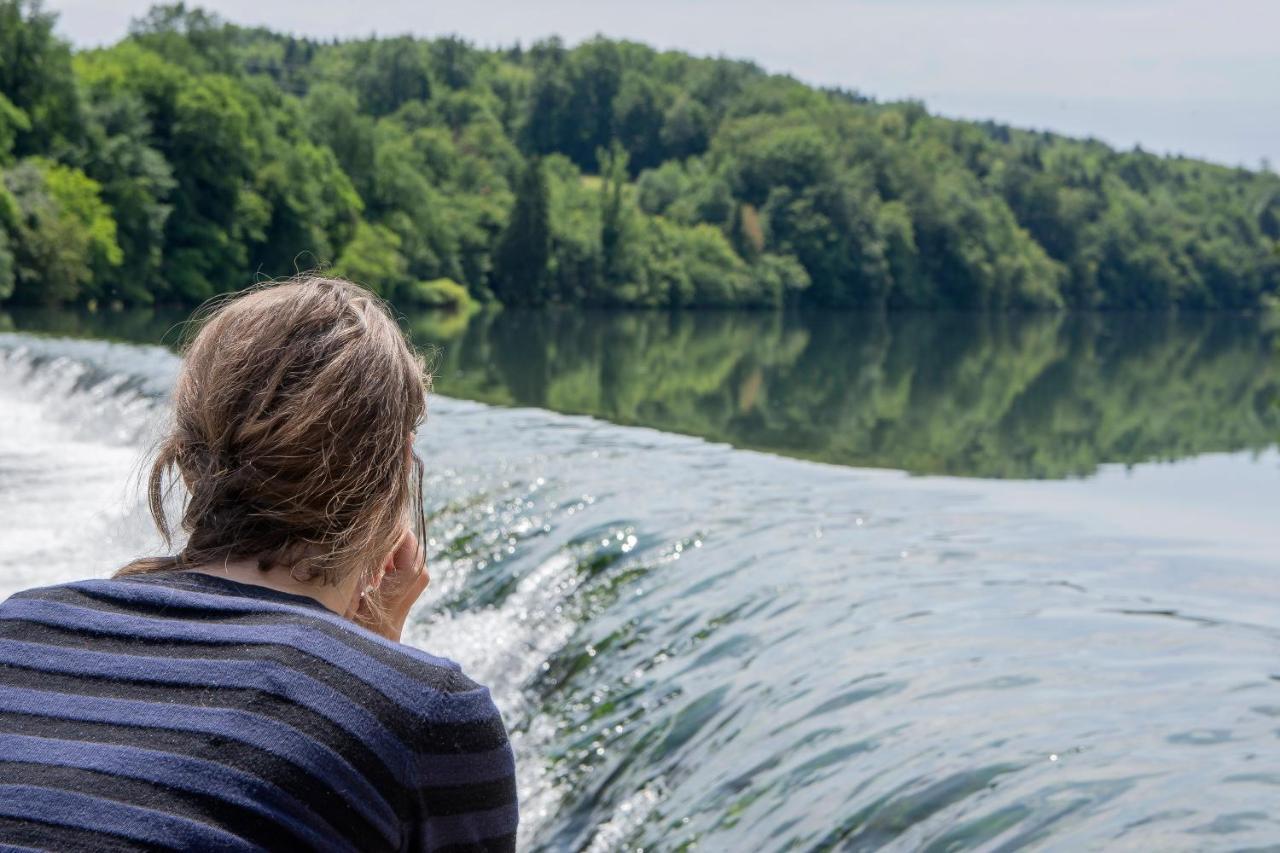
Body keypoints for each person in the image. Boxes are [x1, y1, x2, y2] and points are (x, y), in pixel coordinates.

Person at [0, 277, 518, 851]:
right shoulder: (431, 718)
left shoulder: (18, 626)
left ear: (189, 456)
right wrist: (373, 656)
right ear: (392, 475)